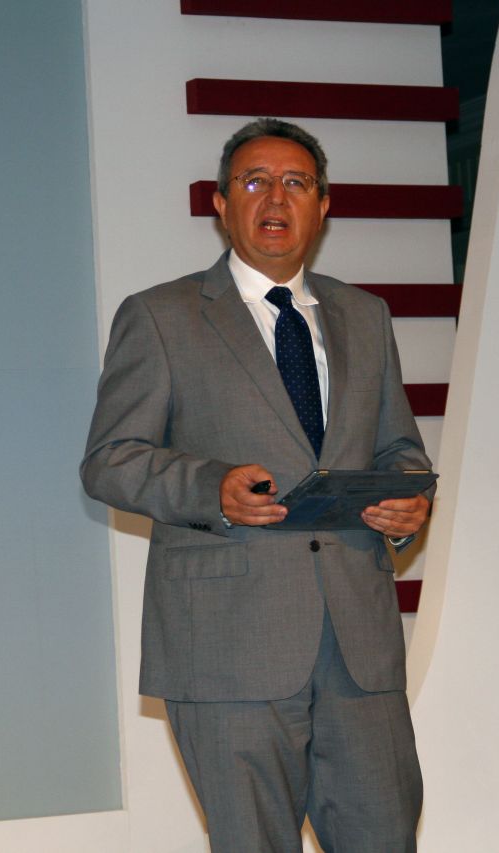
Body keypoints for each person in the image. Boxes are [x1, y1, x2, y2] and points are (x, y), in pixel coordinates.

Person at [82, 117, 433, 852]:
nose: (276, 197)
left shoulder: (365, 316)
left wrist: (408, 500)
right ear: (221, 204)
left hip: (359, 645)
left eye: (296, 182)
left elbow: (399, 447)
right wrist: (210, 488)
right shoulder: (161, 316)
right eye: (254, 181)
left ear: (323, 206)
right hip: (228, 643)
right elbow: (110, 458)